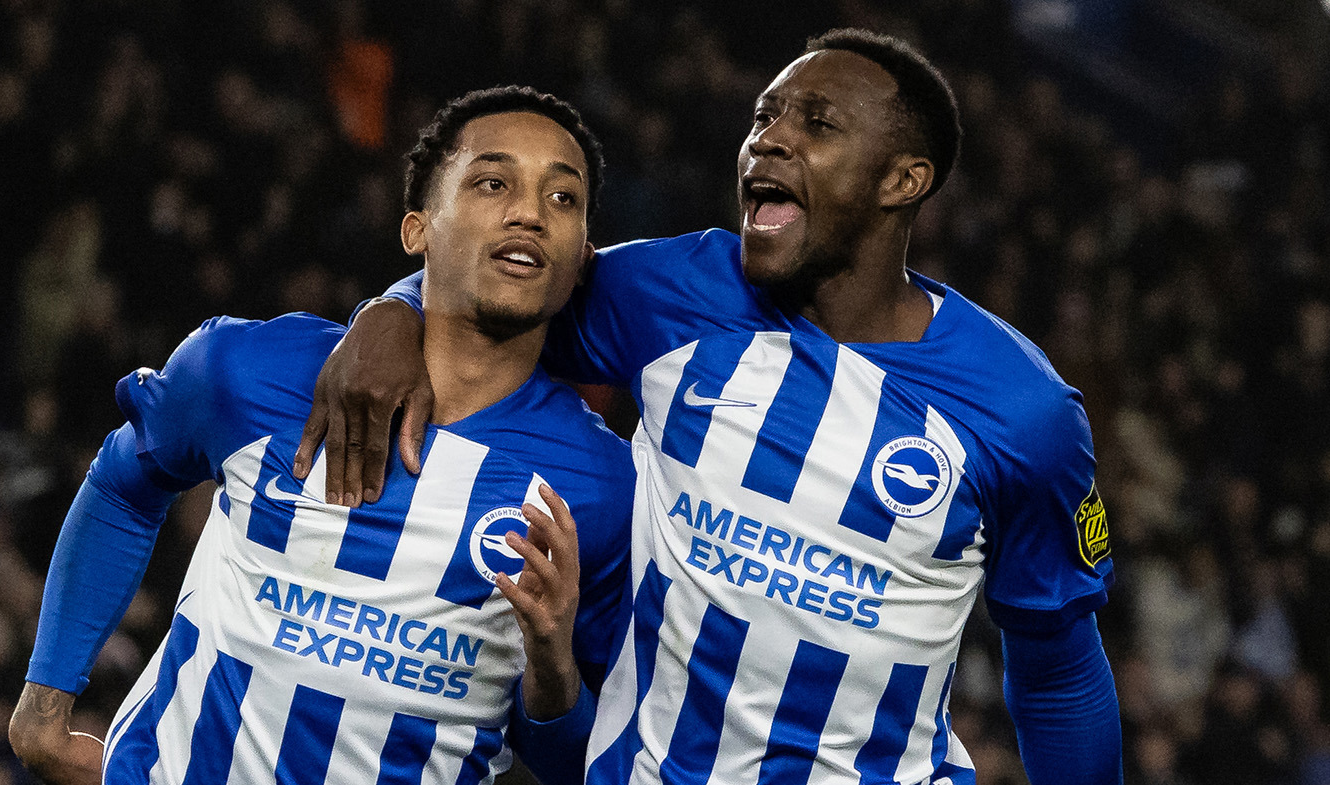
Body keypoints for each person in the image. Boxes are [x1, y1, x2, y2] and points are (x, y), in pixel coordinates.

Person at [299, 29, 1122, 785]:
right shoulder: (670, 293)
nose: (770, 138)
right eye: (764, 117)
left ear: (903, 180)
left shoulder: (1023, 411)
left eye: (818, 124)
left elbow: (1058, 670)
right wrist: (393, 310)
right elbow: (499, 282)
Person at [7, 86, 635, 785]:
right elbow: (125, 484)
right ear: (417, 229)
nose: (529, 212)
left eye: (563, 199)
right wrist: (43, 705)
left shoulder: (603, 488)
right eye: (493, 182)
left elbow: (585, 760)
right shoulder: (247, 373)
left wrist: (553, 672)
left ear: (583, 258)